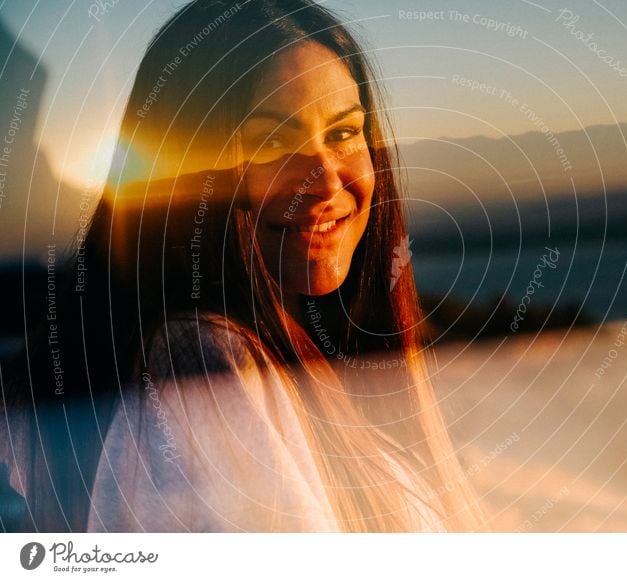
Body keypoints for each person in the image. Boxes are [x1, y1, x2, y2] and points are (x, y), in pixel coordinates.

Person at [1, 0, 484, 532]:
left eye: (344, 133)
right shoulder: (206, 362)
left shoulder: (307, 348)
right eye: (271, 141)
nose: (324, 180)